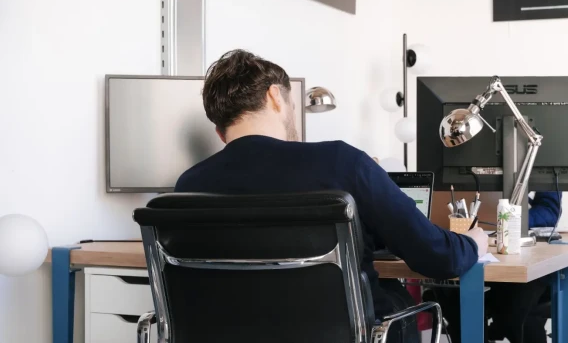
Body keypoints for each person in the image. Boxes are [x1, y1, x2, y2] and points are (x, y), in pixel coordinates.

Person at [175, 50, 489, 343]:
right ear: (275, 96)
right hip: (342, 334)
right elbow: (439, 257)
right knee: (394, 298)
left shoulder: (188, 187)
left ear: (219, 130)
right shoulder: (342, 162)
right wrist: (473, 241)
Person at [434, 191, 561, 343]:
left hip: (521, 260)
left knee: (518, 307)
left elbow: (549, 210)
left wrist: (508, 220)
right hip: (467, 249)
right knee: (450, 293)